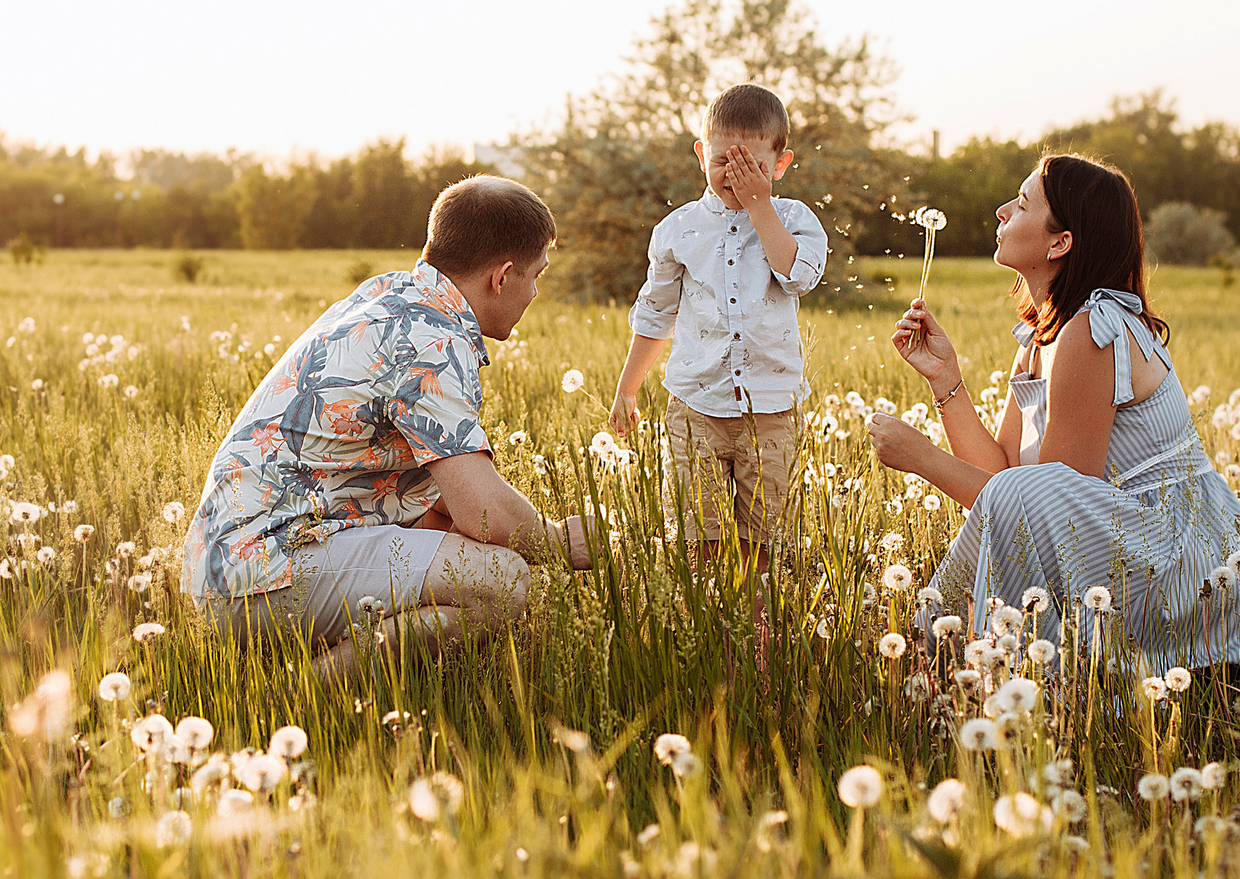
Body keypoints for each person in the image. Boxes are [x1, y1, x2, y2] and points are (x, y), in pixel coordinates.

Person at [865, 154, 1240, 672]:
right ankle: (977, 669)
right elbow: (1003, 478)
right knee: (1019, 493)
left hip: (1184, 561)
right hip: (1129, 544)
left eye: (1021, 202)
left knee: (1026, 497)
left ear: (1061, 243)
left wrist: (922, 458)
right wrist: (945, 379)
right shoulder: (1044, 336)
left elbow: (1045, 506)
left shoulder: (1091, 330)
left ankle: (999, 678)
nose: (1000, 211)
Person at [181, 175, 594, 682]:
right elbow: (484, 512)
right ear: (502, 276)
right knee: (503, 581)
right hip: (264, 574)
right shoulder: (430, 341)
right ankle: (300, 693)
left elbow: (441, 503)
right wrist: (560, 542)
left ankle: (299, 673)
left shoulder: (392, 293)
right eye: (536, 276)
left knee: (456, 537)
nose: (534, 293)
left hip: (234, 563)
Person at [609, 84, 830, 639]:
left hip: (771, 412)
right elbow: (654, 314)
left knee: (761, 539)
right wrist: (628, 389)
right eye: (722, 159)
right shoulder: (678, 230)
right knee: (700, 537)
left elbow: (797, 275)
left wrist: (759, 208)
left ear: (780, 165)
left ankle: (755, 640)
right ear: (699, 154)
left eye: (753, 164)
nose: (736, 174)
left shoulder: (795, 220)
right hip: (695, 408)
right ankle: (707, 636)